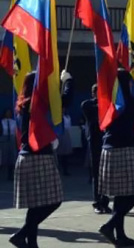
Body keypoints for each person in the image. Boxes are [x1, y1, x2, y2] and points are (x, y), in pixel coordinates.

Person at [97, 69, 134, 246]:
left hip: (108, 149)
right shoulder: (130, 101)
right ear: (127, 83)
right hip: (125, 150)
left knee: (120, 195)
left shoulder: (108, 101)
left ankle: (120, 235)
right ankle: (110, 225)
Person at [9, 72, 64, 248]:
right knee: (54, 201)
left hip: (26, 156)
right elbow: (64, 102)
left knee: (35, 205)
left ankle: (31, 242)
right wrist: (66, 82)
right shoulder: (34, 103)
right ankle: (22, 234)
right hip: (37, 157)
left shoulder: (23, 104)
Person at [81, 84, 111, 214]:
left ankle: (105, 201)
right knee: (97, 174)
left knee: (106, 174)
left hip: (106, 141)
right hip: (94, 142)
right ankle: (97, 202)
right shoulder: (87, 104)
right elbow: (95, 109)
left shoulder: (107, 104)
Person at [1, 108, 18, 182]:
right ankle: (4, 172)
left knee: (12, 156)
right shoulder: (2, 122)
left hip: (12, 139)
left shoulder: (14, 122)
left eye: (9, 112)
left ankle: (11, 174)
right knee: (4, 156)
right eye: (7, 112)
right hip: (4, 139)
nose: (8, 114)